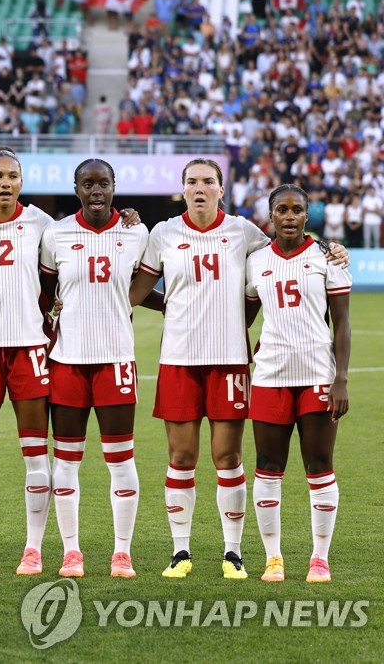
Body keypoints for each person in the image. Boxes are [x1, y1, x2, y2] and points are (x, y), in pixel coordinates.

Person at [129, 159, 348, 580]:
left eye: (208, 182)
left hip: (231, 359)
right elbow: (138, 291)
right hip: (178, 360)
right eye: (192, 182)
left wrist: (329, 247)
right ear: (183, 188)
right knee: (181, 456)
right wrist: (169, 304)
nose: (200, 188)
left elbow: (290, 248)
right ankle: (180, 552)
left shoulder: (244, 232)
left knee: (228, 457)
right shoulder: (163, 233)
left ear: (221, 188)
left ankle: (233, 553)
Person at [0, 148, 141, 576]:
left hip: (32, 350)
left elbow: (53, 283)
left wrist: (130, 216)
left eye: (12, 175)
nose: (5, 182)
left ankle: (33, 549)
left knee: (37, 456)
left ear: (21, 181)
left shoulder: (44, 225)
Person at [39, 159, 149, 579]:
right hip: (67, 360)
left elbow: (143, 287)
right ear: (77, 189)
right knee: (66, 461)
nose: (97, 190)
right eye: (89, 183)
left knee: (121, 460)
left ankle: (122, 552)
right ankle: (72, 552)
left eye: (104, 183)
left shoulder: (136, 232)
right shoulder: (57, 233)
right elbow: (45, 293)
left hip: (116, 359)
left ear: (115, 187)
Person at [245, 185, 351, 584]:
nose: (289, 216)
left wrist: (340, 379)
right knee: (268, 468)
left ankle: (319, 558)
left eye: (297, 210)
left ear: (308, 215)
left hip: (317, 376)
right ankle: (274, 558)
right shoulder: (256, 262)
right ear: (271, 215)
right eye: (282, 209)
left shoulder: (327, 257)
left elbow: (341, 322)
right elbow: (245, 312)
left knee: (319, 466)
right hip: (271, 375)